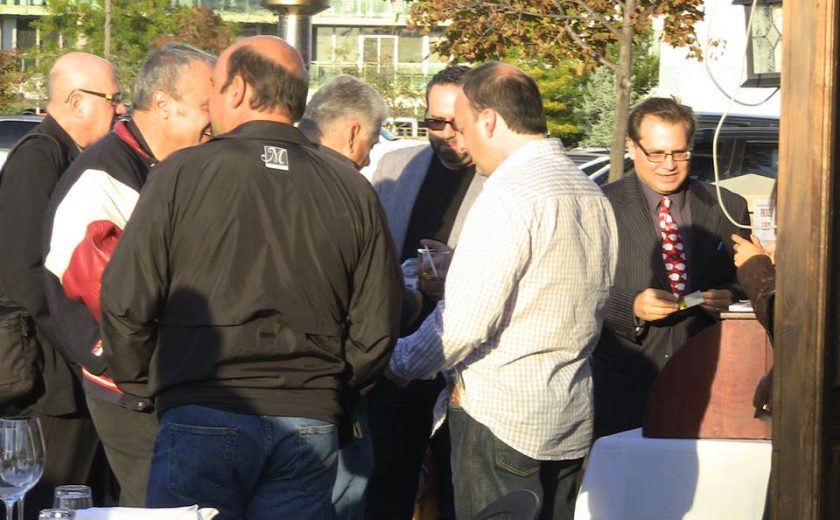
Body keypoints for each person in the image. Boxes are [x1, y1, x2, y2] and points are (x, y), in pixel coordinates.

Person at [98, 35, 402, 520]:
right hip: (304, 414)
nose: (211, 103)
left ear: (237, 90)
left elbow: (125, 299)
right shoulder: (350, 186)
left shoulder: (181, 173)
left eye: (215, 87)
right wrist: (330, 389)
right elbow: (378, 322)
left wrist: (148, 385)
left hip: (206, 404)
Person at [388, 62, 618, 520]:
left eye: (464, 126)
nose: (461, 141)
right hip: (567, 412)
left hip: (502, 416)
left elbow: (462, 325)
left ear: (489, 120)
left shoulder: (509, 194)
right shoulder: (587, 190)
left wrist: (395, 362)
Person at [42, 43, 216, 506]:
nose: (215, 120)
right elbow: (116, 301)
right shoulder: (104, 176)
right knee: (160, 509)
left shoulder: (168, 165)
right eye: (206, 105)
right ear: (162, 103)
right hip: (132, 387)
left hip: (165, 378)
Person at [0, 51, 125, 513]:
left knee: (81, 499)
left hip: (69, 367)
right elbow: (26, 271)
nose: (120, 108)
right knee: (51, 497)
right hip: (48, 376)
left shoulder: (73, 155)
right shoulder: (39, 156)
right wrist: (83, 343)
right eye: (112, 98)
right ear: (76, 101)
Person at [593, 97, 750, 438]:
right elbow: (575, 290)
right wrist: (630, 306)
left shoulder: (728, 207)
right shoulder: (599, 207)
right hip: (624, 387)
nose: (669, 165)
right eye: (656, 153)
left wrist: (731, 296)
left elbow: (745, 280)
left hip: (707, 382)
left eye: (679, 153)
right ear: (632, 147)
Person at [366, 64, 482, 520]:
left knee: (456, 493)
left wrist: (458, 273)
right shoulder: (397, 166)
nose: (448, 134)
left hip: (461, 364)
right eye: (436, 122)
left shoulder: (500, 178)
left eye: (458, 123)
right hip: (395, 356)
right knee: (386, 486)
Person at [299, 74, 387, 520]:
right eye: (372, 140)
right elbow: (376, 316)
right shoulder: (350, 191)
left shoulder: (244, 172)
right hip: (327, 391)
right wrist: (350, 383)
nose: (369, 157)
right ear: (353, 132)